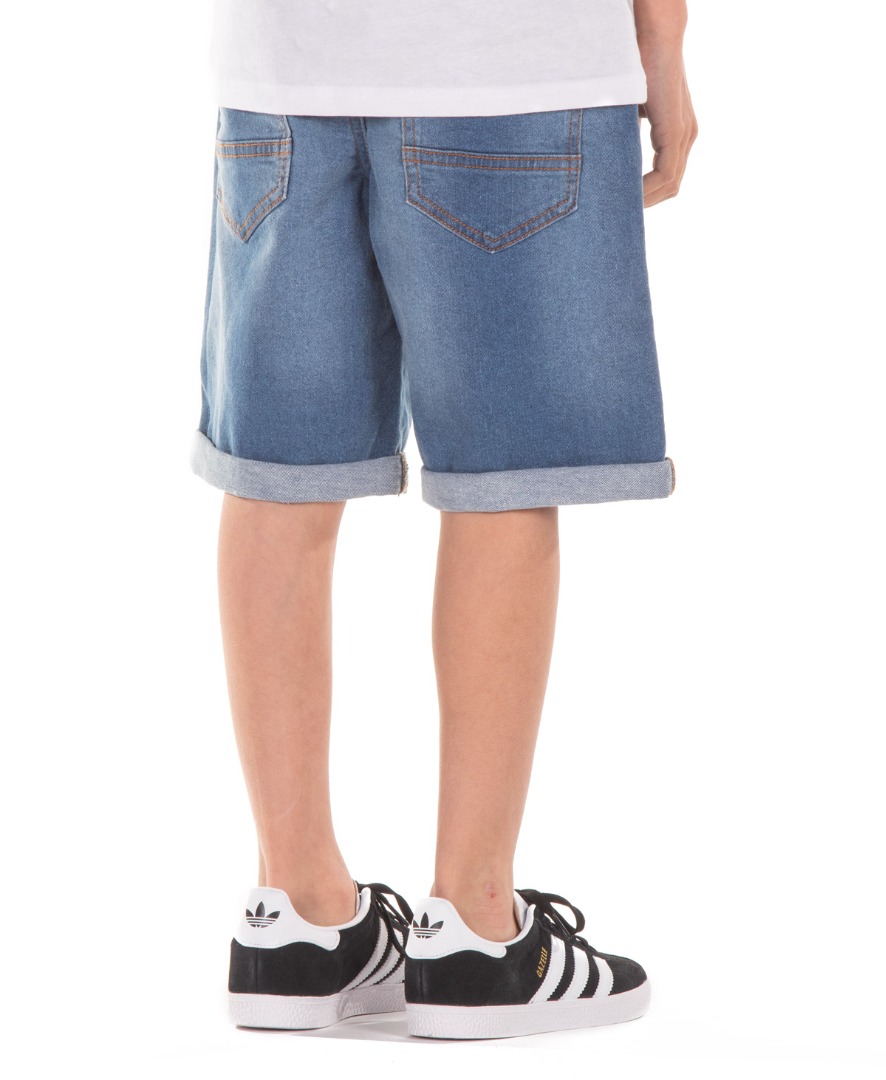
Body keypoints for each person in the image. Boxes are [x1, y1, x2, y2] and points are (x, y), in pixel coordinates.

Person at [190, 0, 697, 1041]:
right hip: (510, 64)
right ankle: (474, 926)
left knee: (279, 475)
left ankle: (296, 913)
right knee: (503, 478)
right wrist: (663, 46)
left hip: (281, 72)